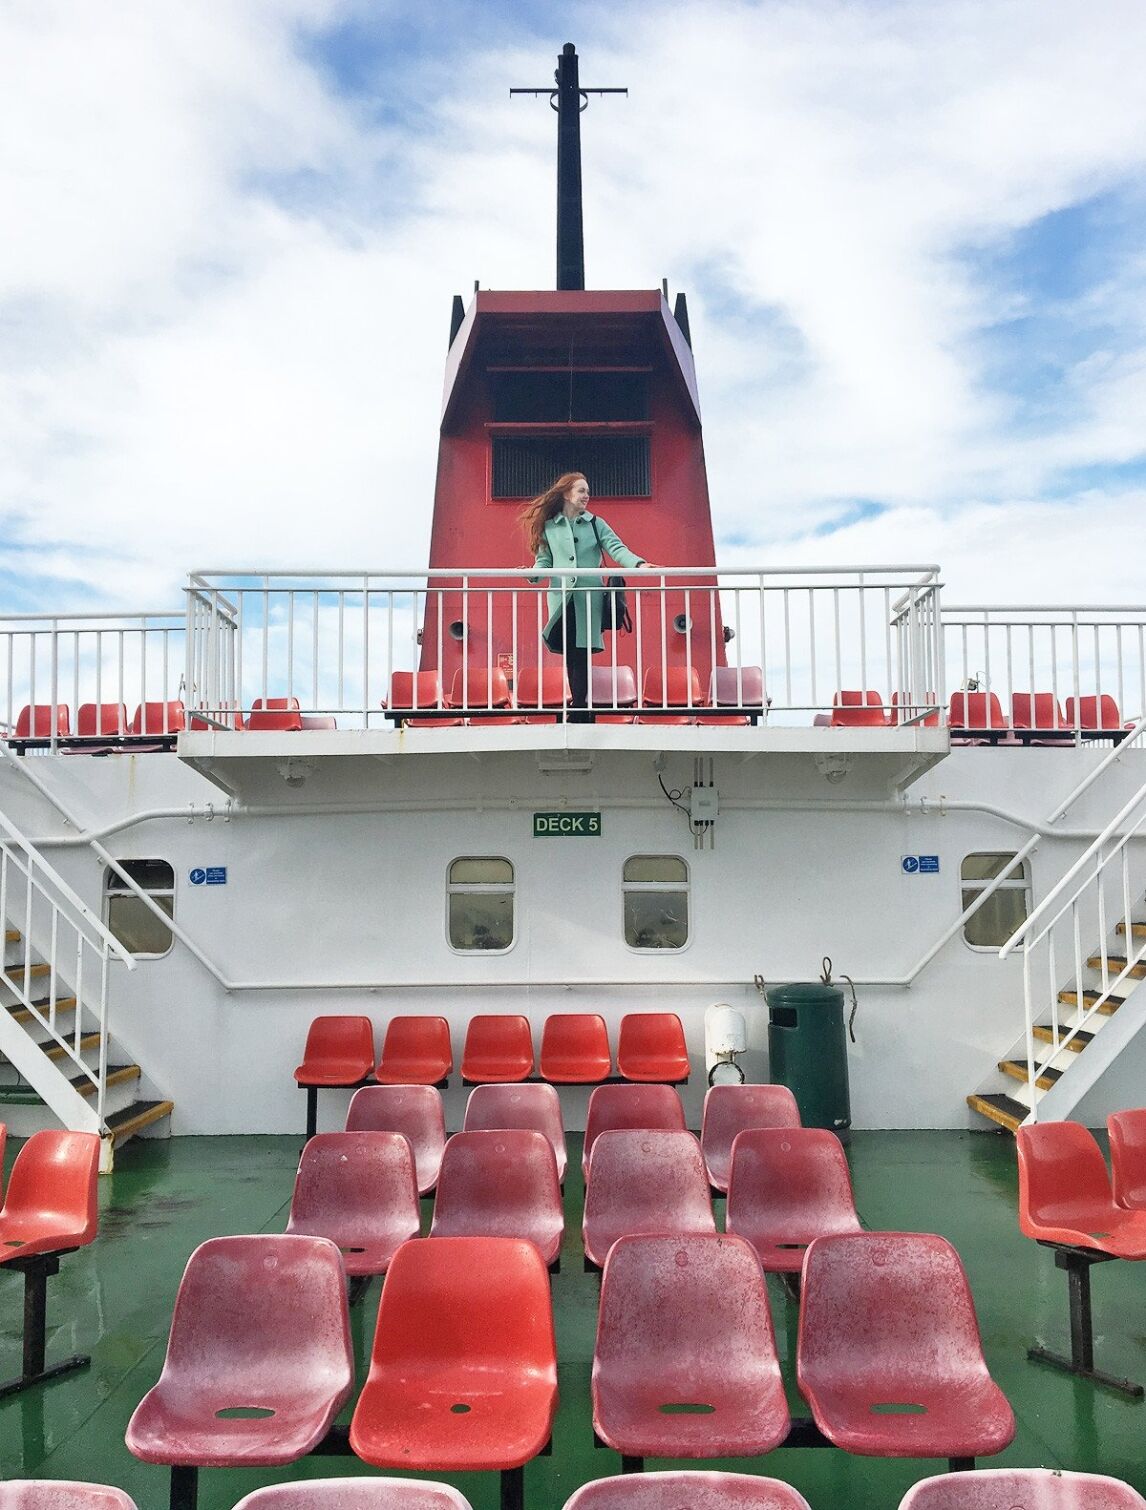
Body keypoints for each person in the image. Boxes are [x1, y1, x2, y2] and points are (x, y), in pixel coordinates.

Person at [523, 473, 657, 720]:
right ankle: (578, 704)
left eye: (587, 491)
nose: (587, 496)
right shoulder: (549, 526)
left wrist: (637, 565)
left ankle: (580, 706)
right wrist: (532, 575)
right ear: (566, 494)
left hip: (588, 597)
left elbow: (616, 548)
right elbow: (544, 561)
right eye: (581, 491)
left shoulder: (596, 523)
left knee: (581, 651)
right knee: (570, 651)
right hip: (562, 597)